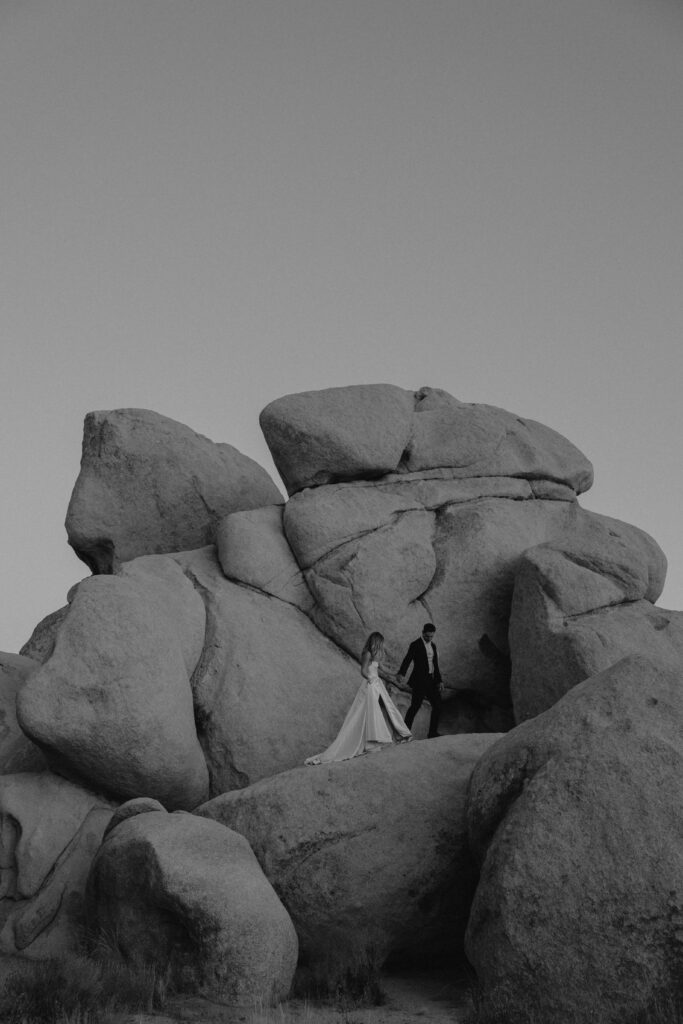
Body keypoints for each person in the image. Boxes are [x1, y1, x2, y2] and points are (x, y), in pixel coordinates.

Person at [304, 631, 411, 765]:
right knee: (365, 713)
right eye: (381, 643)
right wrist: (371, 680)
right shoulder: (367, 653)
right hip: (370, 685)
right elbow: (363, 671)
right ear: (376, 642)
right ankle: (372, 742)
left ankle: (395, 735)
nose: (382, 646)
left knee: (386, 709)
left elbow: (381, 670)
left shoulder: (376, 655)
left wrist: (395, 676)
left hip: (377, 685)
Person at [397, 623, 442, 738]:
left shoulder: (433, 646)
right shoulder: (415, 644)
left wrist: (439, 681)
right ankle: (405, 734)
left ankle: (432, 733)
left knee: (437, 705)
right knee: (415, 706)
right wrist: (401, 673)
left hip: (431, 680)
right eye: (427, 636)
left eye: (431, 636)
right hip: (419, 681)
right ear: (422, 633)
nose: (429, 638)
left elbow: (435, 664)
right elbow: (407, 659)